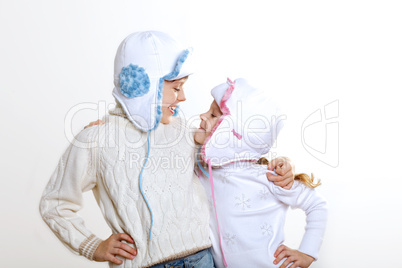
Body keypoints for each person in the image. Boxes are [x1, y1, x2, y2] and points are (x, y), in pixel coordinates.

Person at [40, 31, 294, 268]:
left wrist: (277, 165)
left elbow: (232, 158)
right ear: (142, 87)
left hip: (202, 258)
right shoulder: (96, 139)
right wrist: (92, 246)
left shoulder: (182, 132)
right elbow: (55, 203)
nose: (183, 97)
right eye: (176, 88)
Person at [194, 78, 328, 268]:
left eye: (213, 115)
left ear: (233, 134)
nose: (202, 115)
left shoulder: (269, 176)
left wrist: (308, 252)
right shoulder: (202, 170)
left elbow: (317, 204)